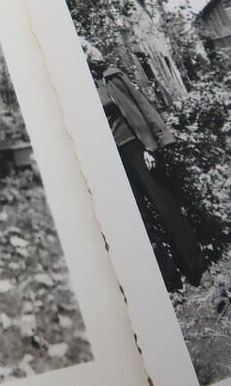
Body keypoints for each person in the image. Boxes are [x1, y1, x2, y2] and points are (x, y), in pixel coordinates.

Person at [82, 39, 207, 291]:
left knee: (165, 206)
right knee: (138, 216)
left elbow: (142, 107)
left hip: (135, 147)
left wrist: (151, 146)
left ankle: (198, 268)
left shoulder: (111, 77)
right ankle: (169, 281)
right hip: (107, 158)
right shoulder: (76, 91)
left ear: (86, 53)